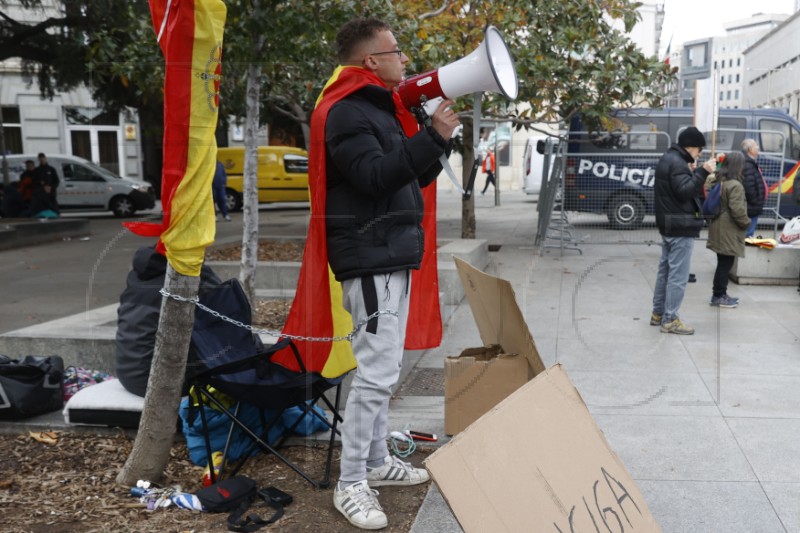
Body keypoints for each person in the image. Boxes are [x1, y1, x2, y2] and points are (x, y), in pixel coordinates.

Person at [320, 17, 459, 530]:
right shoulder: (348, 113)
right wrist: (429, 137)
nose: (405, 59)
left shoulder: (377, 111)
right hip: (370, 253)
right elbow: (374, 176)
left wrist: (434, 138)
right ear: (370, 61)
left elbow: (408, 176)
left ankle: (376, 461)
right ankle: (352, 480)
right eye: (395, 51)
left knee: (381, 370)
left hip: (387, 253)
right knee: (376, 374)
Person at [650, 126, 716, 335]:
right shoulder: (678, 163)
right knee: (678, 276)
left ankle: (658, 313)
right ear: (690, 147)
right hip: (680, 225)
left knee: (665, 271)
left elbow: (679, 187)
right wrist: (703, 171)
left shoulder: (669, 158)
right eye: (699, 149)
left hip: (670, 223)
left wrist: (693, 171)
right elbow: (685, 191)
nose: (699, 154)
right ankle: (671, 319)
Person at [705, 151, 750, 308]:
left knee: (722, 263)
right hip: (728, 229)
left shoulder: (719, 180)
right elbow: (737, 210)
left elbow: (709, 182)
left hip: (718, 226)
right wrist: (746, 223)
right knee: (725, 264)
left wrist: (718, 164)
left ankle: (719, 294)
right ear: (738, 166)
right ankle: (719, 296)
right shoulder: (735, 185)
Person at [740, 139, 767, 237]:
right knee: (747, 235)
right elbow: (748, 186)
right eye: (756, 147)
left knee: (747, 234)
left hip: (751, 206)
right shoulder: (748, 164)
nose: (758, 149)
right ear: (750, 150)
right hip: (751, 207)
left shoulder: (749, 162)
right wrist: (756, 201)